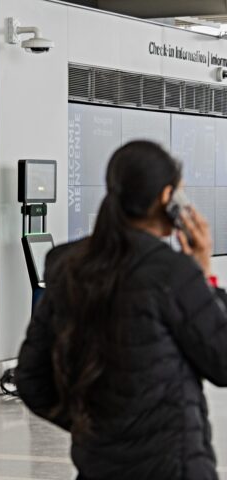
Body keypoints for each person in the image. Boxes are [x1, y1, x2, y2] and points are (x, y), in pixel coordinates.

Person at [15, 140, 227, 480]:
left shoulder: (68, 267)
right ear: (166, 198)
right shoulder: (174, 273)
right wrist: (206, 275)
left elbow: (29, 378)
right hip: (174, 467)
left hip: (98, 466)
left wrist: (91, 428)